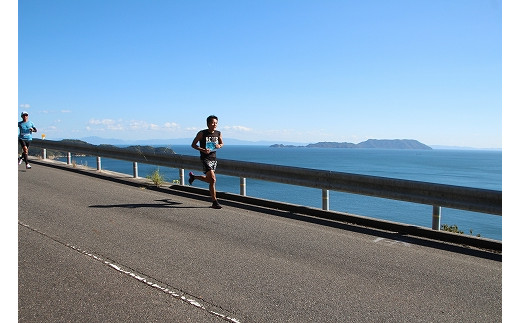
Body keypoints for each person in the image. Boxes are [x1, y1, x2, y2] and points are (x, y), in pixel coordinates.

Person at [189, 115, 224, 209]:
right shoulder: (202, 133)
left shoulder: (218, 133)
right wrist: (202, 150)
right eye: (213, 123)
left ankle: (194, 177)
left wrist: (219, 146)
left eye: (216, 123)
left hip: (213, 158)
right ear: (208, 124)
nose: (215, 124)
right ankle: (215, 202)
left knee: (210, 180)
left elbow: (221, 143)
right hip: (205, 158)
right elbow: (193, 144)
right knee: (213, 179)